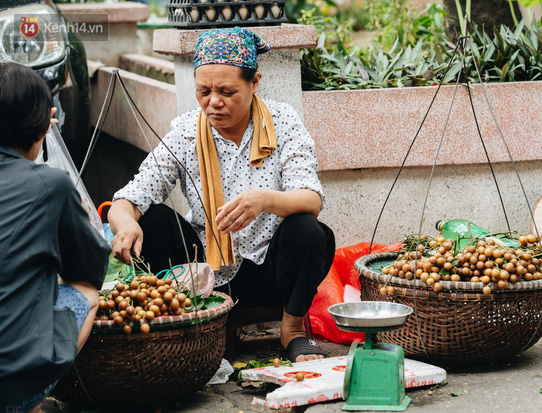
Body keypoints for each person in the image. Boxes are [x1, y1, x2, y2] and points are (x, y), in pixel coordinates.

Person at [108, 27, 336, 363]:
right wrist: (125, 223)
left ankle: (293, 330)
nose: (213, 102)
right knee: (152, 218)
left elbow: (311, 198)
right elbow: (130, 197)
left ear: (254, 83)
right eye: (203, 91)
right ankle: (186, 323)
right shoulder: (187, 131)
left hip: (268, 270)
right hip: (204, 273)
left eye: (227, 91)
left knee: (307, 230)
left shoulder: (283, 121)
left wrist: (264, 200)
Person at [0, 63, 111, 412]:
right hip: (11, 384)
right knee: (87, 293)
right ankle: (30, 402)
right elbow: (90, 270)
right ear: (42, 124)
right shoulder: (51, 184)